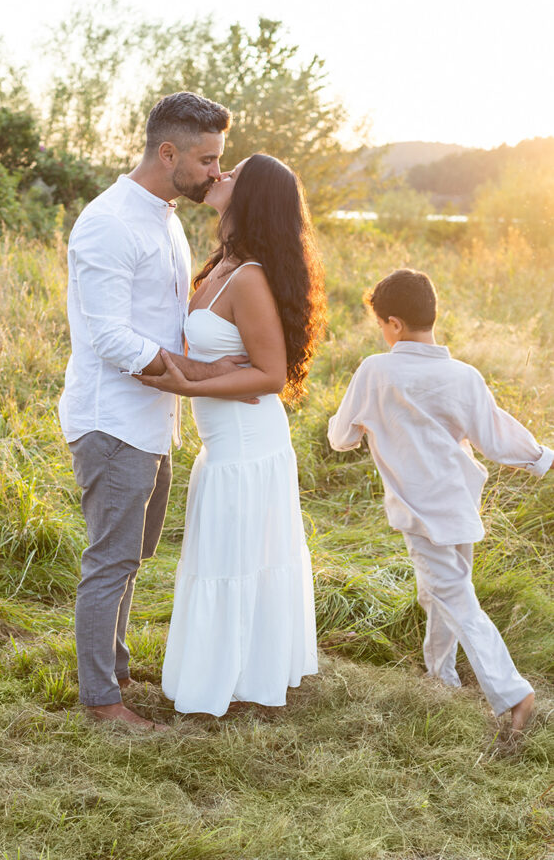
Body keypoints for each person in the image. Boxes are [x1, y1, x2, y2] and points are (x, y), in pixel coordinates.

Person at [60, 91, 249, 729]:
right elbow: (111, 337)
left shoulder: (164, 215)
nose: (217, 173)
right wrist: (198, 373)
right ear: (167, 152)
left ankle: (112, 668)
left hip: (152, 420)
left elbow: (165, 321)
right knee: (109, 560)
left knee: (131, 555)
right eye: (207, 159)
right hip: (112, 419)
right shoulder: (109, 221)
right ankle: (101, 702)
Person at [136, 154, 326, 716]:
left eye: (234, 173)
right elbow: (219, 358)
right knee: (225, 556)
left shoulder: (250, 277)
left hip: (247, 444)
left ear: (254, 199)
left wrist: (191, 387)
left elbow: (271, 374)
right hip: (225, 444)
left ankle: (239, 676)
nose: (220, 175)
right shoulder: (222, 263)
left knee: (237, 559)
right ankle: (230, 668)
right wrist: (206, 373)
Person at [328, 269, 553, 732]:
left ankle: (513, 693)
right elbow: (496, 436)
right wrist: (541, 457)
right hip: (460, 504)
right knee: (439, 596)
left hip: (421, 511)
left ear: (392, 323)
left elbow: (340, 438)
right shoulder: (464, 375)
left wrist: (364, 425)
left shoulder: (376, 370)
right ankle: (440, 676)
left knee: (455, 599)